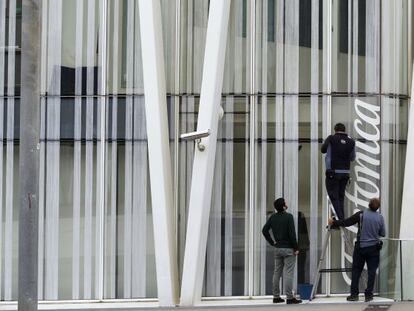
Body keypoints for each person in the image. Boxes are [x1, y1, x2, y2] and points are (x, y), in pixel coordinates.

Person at [328, 198, 386, 302]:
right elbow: (383, 233)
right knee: (371, 271)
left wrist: (334, 222)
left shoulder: (361, 215)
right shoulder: (380, 218)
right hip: (374, 248)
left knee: (356, 270)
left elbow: (347, 222)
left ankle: (354, 295)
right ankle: (368, 295)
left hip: (361, 247)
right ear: (378, 207)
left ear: (368, 205)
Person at [262, 198, 302, 304]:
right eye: (285, 203)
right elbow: (292, 234)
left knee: (277, 273)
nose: (286, 203)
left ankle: (276, 297)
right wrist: (296, 248)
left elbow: (264, 230)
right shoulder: (289, 217)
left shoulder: (273, 217)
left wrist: (272, 242)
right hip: (289, 249)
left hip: (278, 248)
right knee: (289, 273)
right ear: (283, 206)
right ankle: (289, 298)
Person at [321, 123, 356, 220]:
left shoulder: (331, 138)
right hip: (345, 173)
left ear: (335, 129)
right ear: (344, 130)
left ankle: (340, 220)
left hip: (333, 172)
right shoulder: (351, 141)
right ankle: (341, 218)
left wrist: (329, 169)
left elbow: (323, 150)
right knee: (341, 197)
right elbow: (352, 158)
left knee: (333, 197)